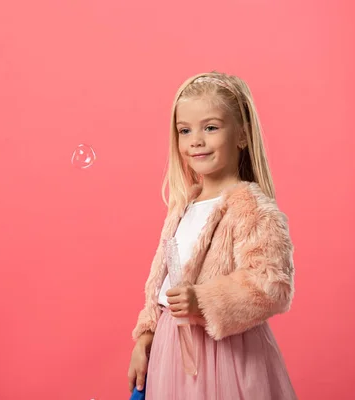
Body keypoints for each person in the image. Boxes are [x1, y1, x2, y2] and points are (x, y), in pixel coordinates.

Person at [127, 71, 297, 399]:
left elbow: (271, 284)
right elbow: (163, 282)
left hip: (225, 359)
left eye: (211, 127)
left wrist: (202, 301)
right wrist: (146, 337)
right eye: (184, 131)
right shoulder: (183, 206)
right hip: (172, 351)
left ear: (242, 136)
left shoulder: (251, 207)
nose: (196, 141)